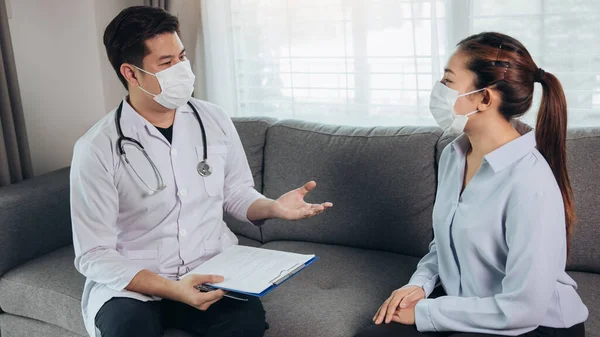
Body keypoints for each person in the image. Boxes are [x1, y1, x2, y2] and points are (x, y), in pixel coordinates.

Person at [70, 6, 332, 337]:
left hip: (210, 269)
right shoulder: (96, 148)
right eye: (166, 64)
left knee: (246, 324)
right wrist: (172, 288)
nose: (181, 70)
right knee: (128, 329)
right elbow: (93, 254)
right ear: (131, 73)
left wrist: (273, 207)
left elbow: (235, 191)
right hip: (133, 283)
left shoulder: (213, 119)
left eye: (182, 57)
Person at [356, 32, 588, 337]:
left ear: (485, 98)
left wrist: (426, 312)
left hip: (532, 323)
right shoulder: (454, 156)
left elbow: (523, 308)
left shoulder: (531, 182)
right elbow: (445, 244)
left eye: (448, 81)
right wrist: (418, 286)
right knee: (373, 333)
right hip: (468, 306)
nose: (438, 90)